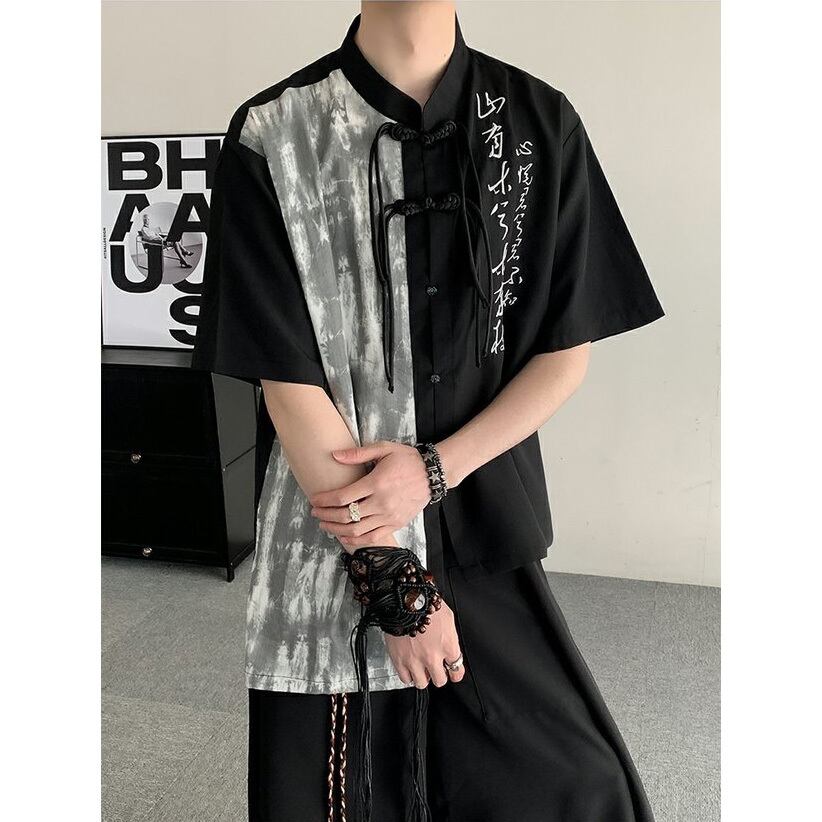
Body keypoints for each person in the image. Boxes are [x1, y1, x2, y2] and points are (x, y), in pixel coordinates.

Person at [192, 3, 665, 820]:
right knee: (343, 792)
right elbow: (285, 382)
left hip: (484, 517)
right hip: (336, 531)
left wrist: (437, 469)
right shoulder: (274, 130)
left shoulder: (536, 120)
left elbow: (565, 350)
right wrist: (394, 587)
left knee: (580, 788)